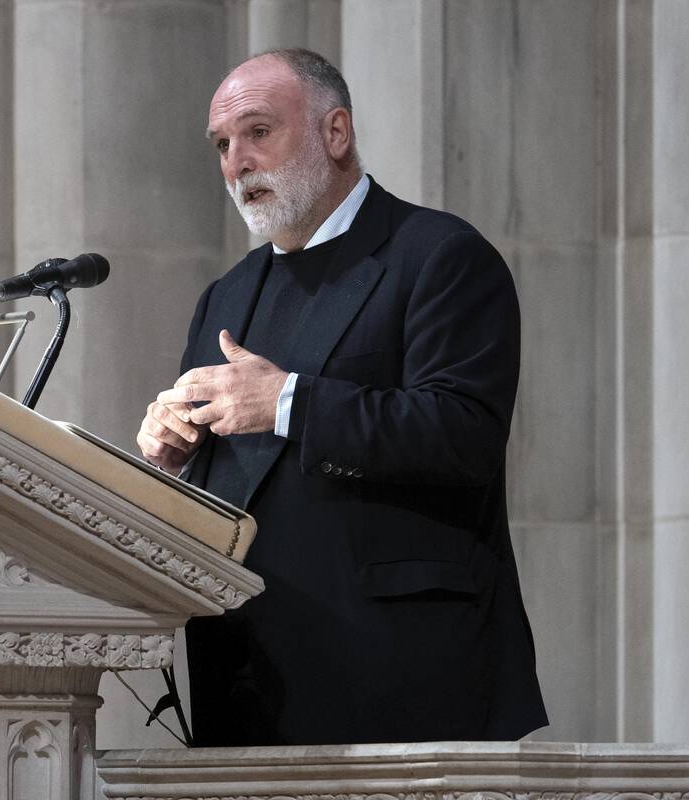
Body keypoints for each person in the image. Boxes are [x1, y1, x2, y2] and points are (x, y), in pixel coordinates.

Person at [137, 48, 547, 746]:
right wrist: (172, 453)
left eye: (258, 132)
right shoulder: (227, 296)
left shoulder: (437, 256)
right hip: (247, 676)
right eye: (222, 144)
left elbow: (464, 434)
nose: (237, 161)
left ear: (335, 132)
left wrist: (288, 401)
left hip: (400, 677)